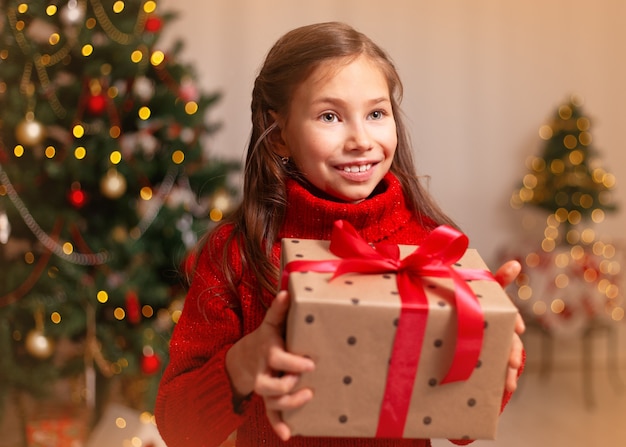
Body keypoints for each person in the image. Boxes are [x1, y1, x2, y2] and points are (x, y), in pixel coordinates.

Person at [155, 21, 525, 447]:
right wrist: (241, 365)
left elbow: (459, 428)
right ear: (278, 136)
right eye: (330, 116)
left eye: (376, 113)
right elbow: (177, 429)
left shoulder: (430, 245)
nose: (361, 140)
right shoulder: (235, 255)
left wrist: (493, 363)